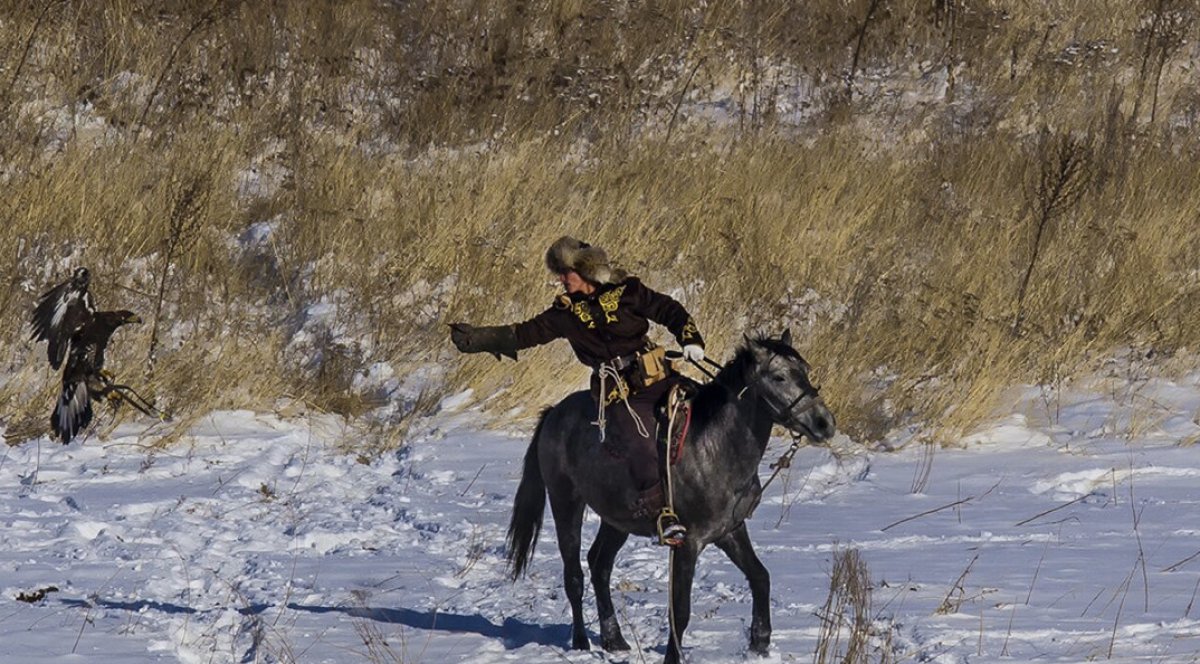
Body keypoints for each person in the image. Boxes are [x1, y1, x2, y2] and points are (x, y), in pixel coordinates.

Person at [449, 236, 705, 545]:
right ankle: (662, 514)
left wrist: (690, 339)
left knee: (703, 407)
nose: (560, 280)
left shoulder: (629, 292)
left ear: (585, 271)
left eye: (564, 273)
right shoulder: (565, 314)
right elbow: (527, 333)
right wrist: (481, 339)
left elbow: (669, 310)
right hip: (618, 393)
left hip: (657, 377)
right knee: (636, 436)